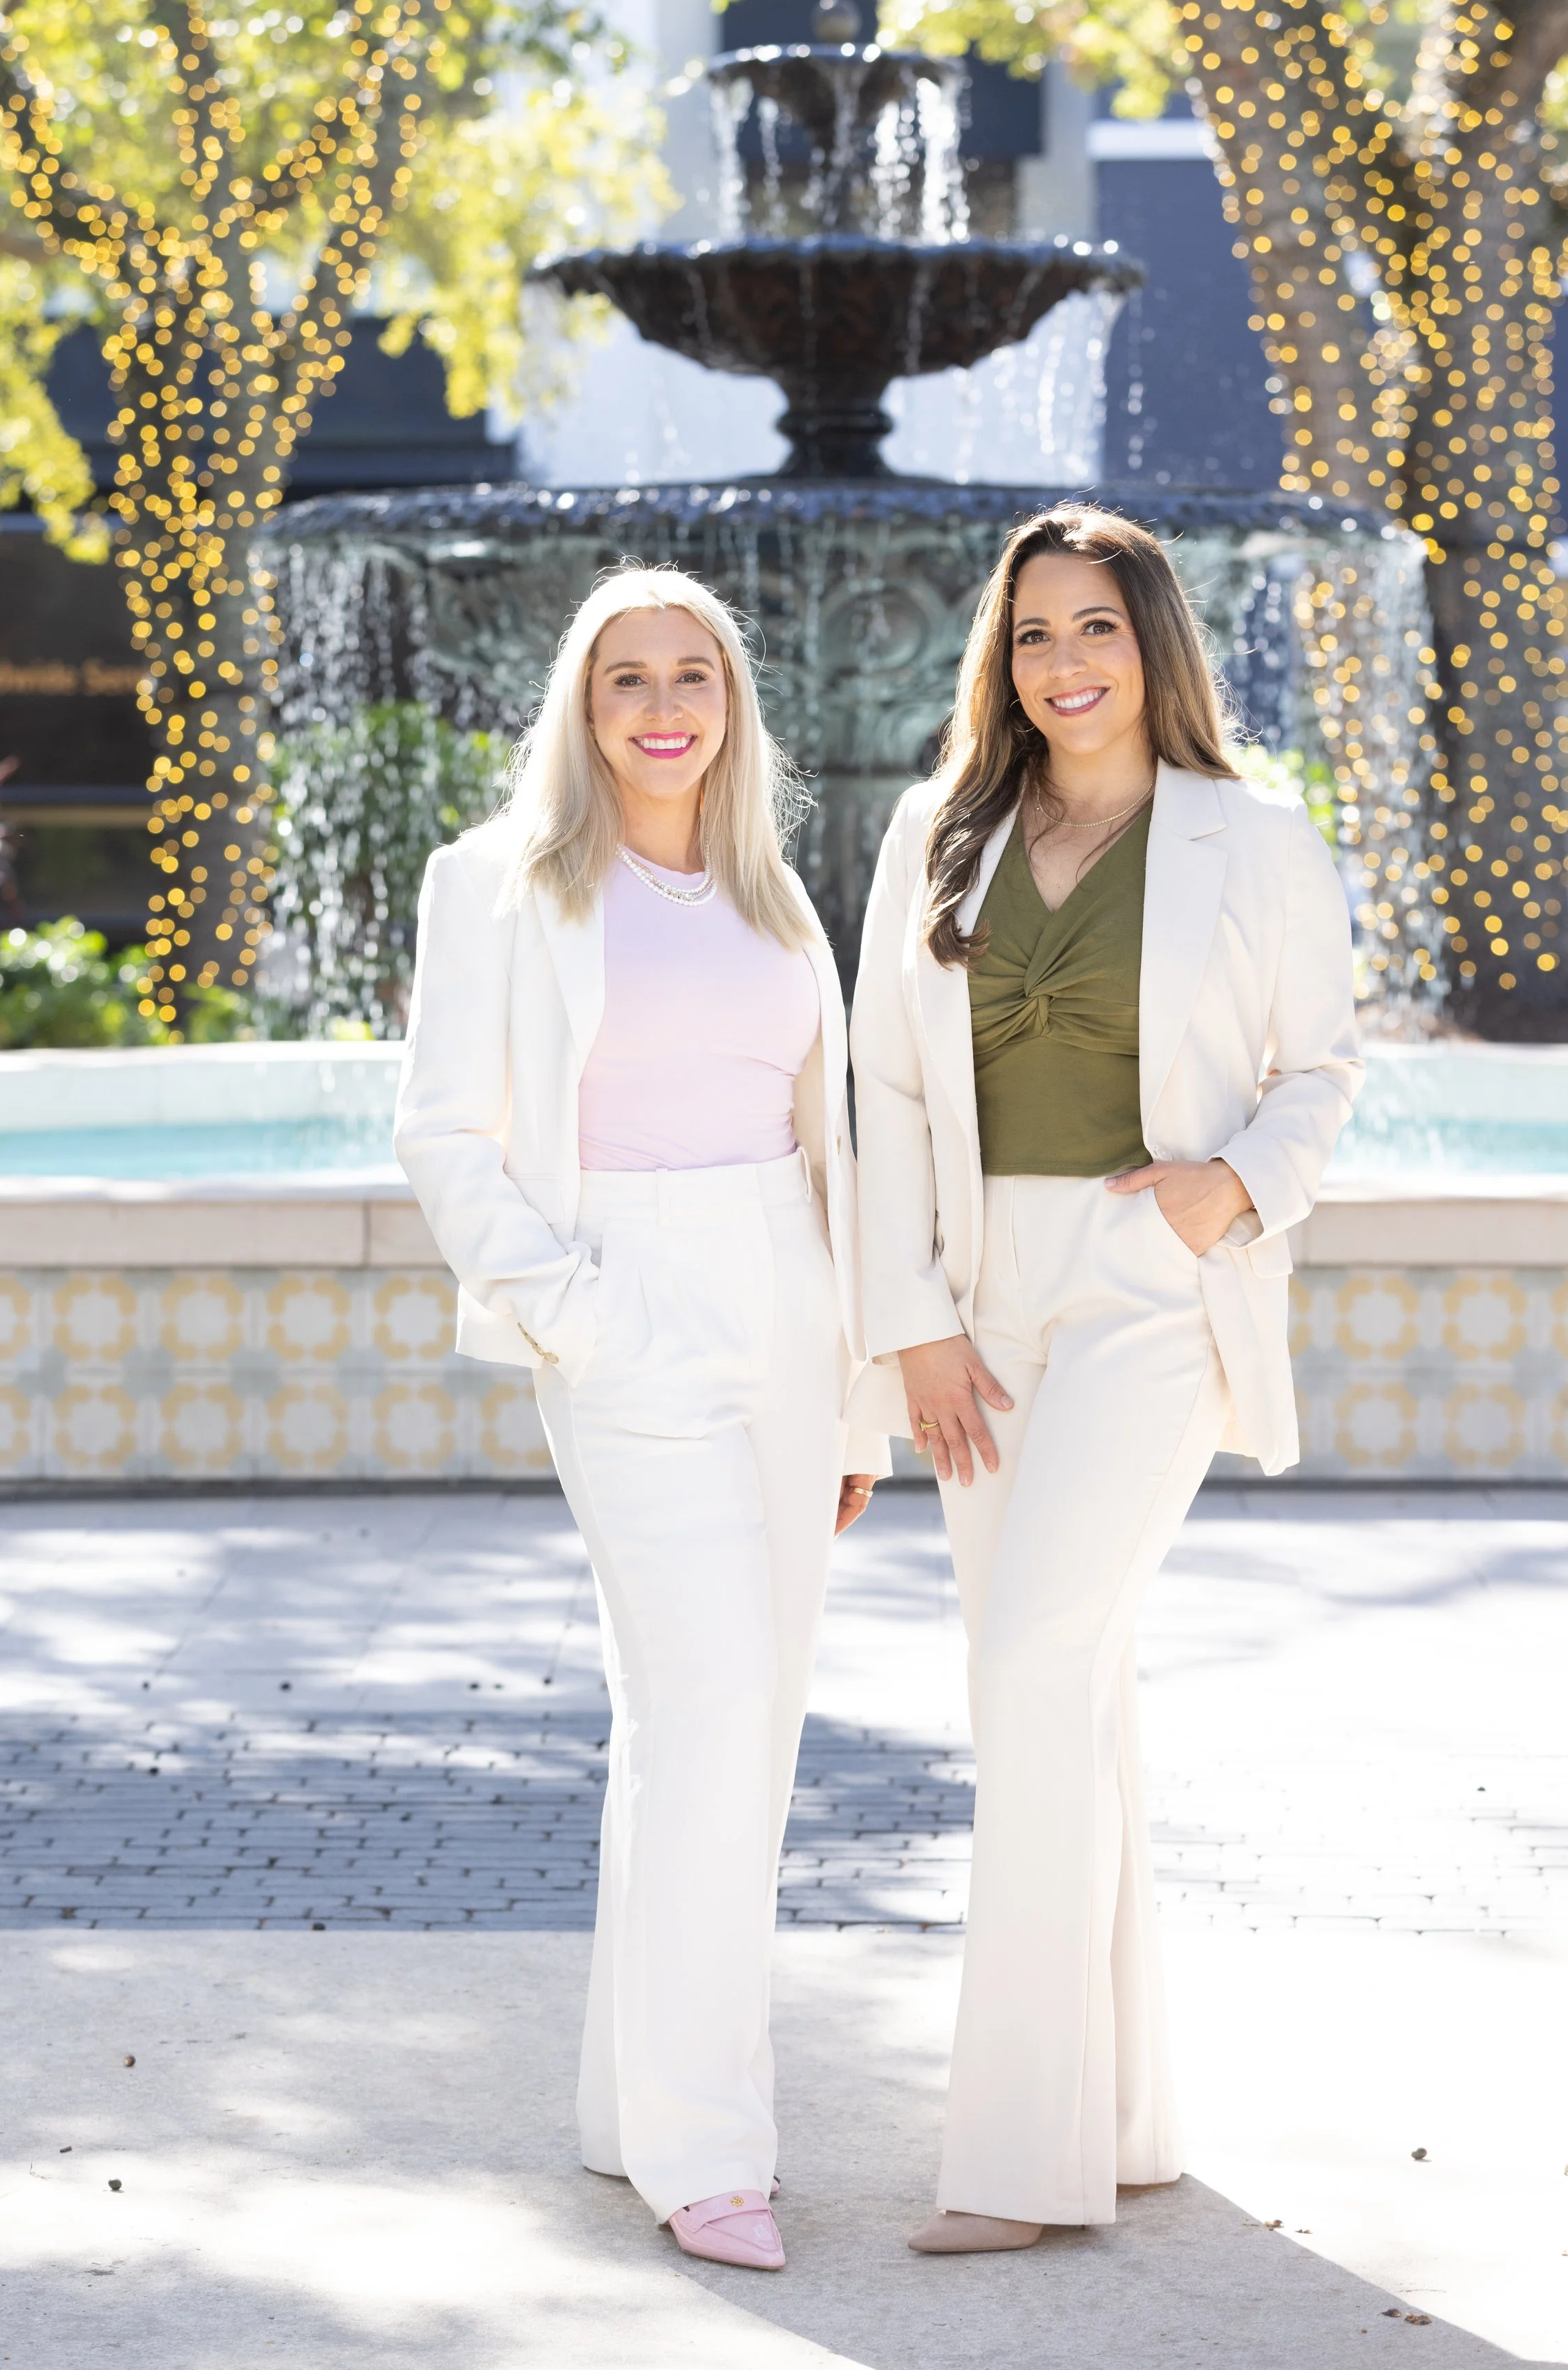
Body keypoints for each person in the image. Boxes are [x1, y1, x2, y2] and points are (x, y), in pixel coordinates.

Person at [849, 505, 1360, 2254]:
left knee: (1033, 1663)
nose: (1062, 663)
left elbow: (1321, 1067)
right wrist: (908, 1319)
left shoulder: (1250, 836)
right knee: (1071, 1688)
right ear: (998, 661)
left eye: (1095, 627)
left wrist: (1239, 1185)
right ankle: (1123, 2115)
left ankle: (1015, 2159)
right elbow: (882, 1095)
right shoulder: (935, 829)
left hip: (1151, 1287)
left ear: (1152, 643)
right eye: (1031, 634)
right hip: (978, 1309)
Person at [395, 563, 887, 2273]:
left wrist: (858, 1398)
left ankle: (631, 2103)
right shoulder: (498, 883)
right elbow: (441, 1133)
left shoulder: (772, 893)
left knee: (725, 1730)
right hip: (626, 1304)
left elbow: (827, 1152)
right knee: (711, 1712)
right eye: (629, 677)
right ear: (583, 705)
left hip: (791, 1309)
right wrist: (576, 1310)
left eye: (695, 673)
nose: (664, 705)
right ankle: (708, 2151)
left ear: (731, 703)